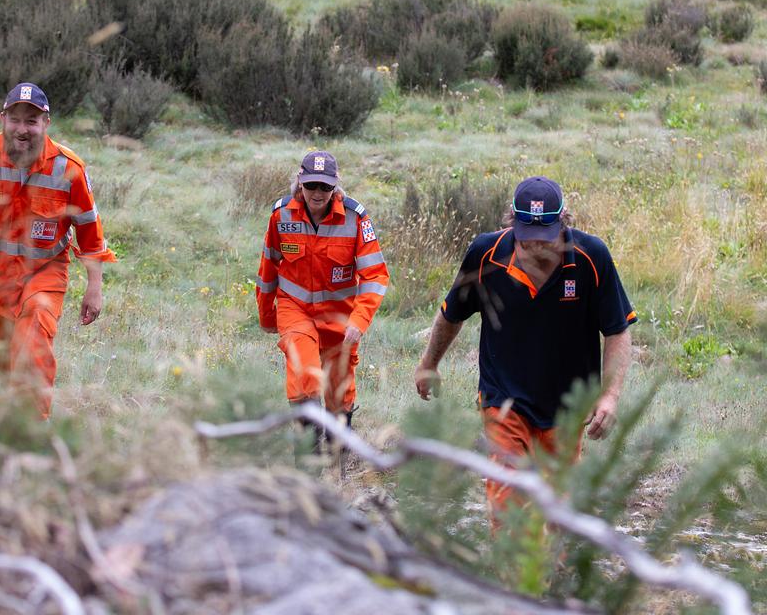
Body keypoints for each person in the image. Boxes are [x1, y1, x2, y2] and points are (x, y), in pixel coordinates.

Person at [413, 176, 636, 516]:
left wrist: (610, 396)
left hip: (567, 405)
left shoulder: (592, 258)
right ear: (512, 224)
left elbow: (617, 331)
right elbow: (451, 314)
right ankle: (511, 569)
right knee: (507, 502)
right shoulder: (485, 254)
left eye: (545, 239)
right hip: (502, 399)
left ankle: (551, 569)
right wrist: (429, 363)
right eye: (527, 239)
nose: (536, 247)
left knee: (556, 512)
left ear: (563, 223)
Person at [0, 82, 116, 418]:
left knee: (32, 349)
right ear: (2, 119)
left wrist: (94, 287)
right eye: (15, 119)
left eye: (31, 121)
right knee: (0, 357)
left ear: (46, 123)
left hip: (43, 276)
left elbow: (90, 230)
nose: (22, 129)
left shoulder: (68, 168)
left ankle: (31, 433)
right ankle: (7, 417)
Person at [256, 151, 390, 433]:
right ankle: (308, 455)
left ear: (335, 186)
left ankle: (339, 456)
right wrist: (268, 317)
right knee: (304, 378)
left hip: (339, 316)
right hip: (296, 309)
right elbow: (268, 267)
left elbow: (375, 274)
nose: (318, 193)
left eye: (326, 187)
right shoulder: (281, 215)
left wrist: (359, 319)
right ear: (299, 182)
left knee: (338, 394)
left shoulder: (356, 218)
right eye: (312, 185)